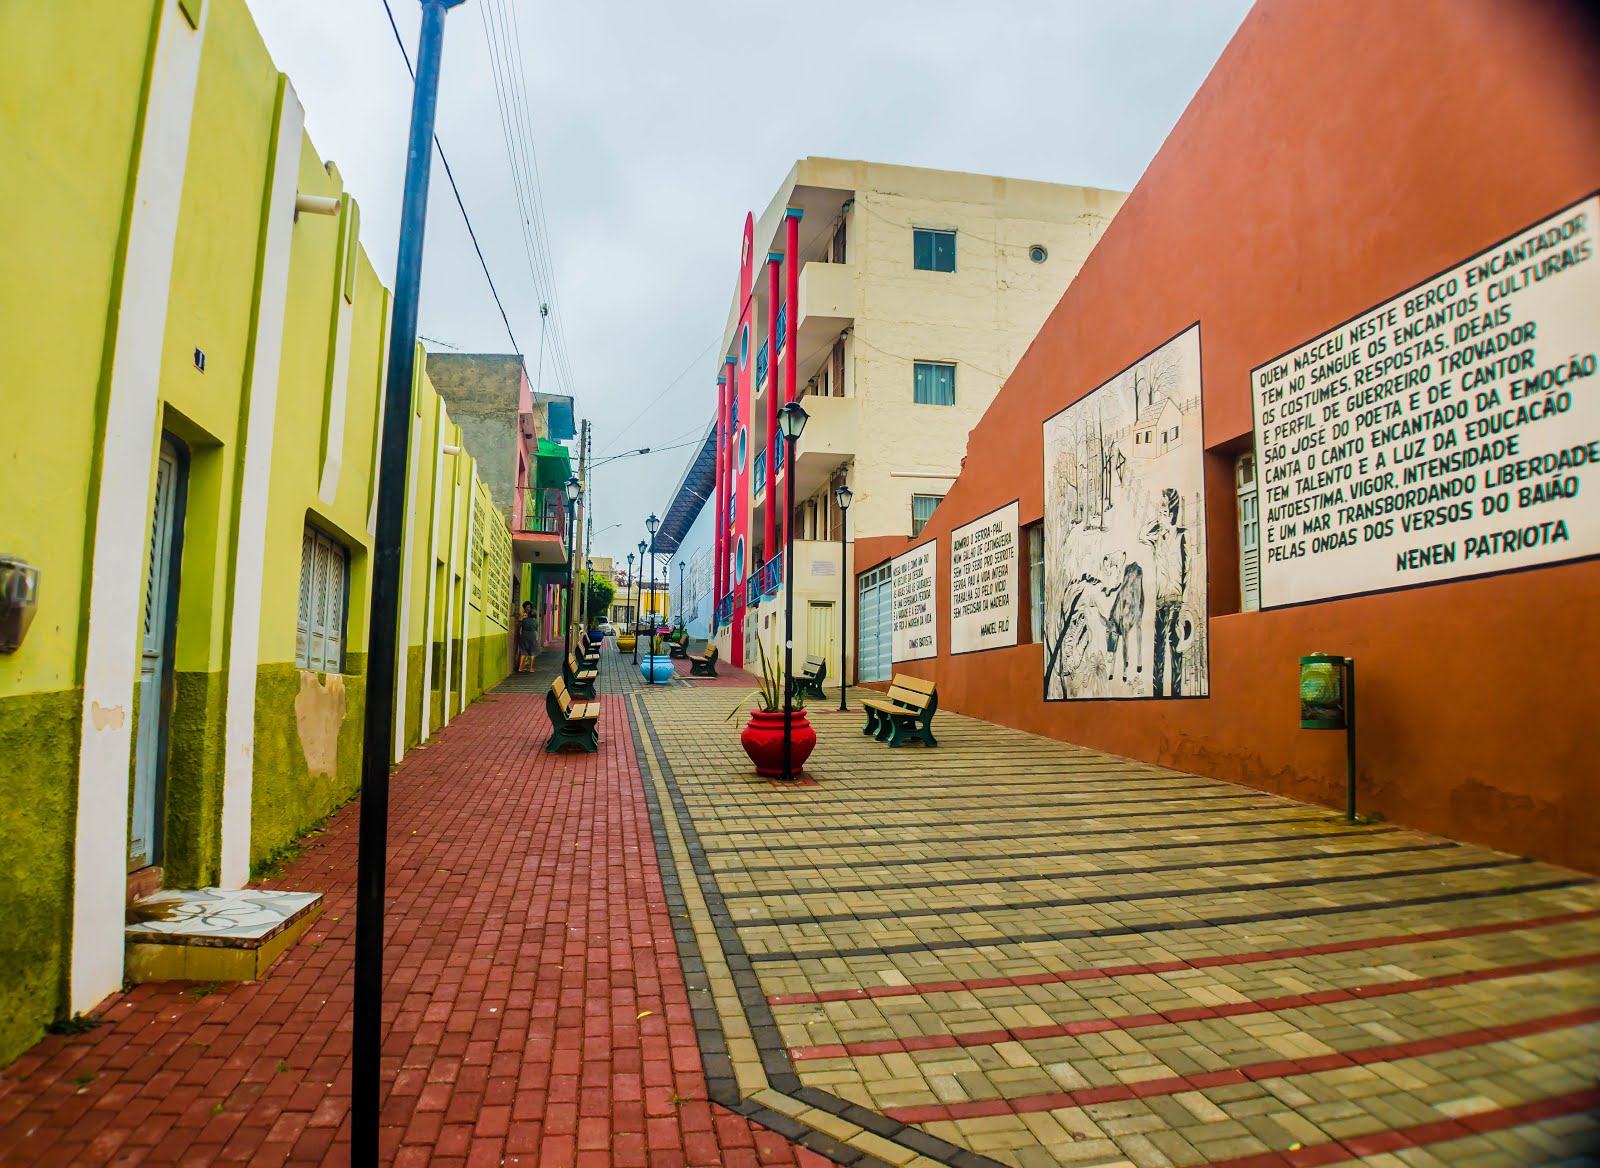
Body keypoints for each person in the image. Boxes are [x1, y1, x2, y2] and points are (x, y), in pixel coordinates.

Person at [516, 601, 538, 673]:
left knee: (523, 652)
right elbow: (536, 628)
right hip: (530, 635)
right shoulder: (532, 619)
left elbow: (519, 622)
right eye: (527, 607)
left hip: (524, 635)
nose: (528, 608)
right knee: (531, 652)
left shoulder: (524, 616)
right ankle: (529, 668)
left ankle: (520, 668)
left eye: (529, 607)